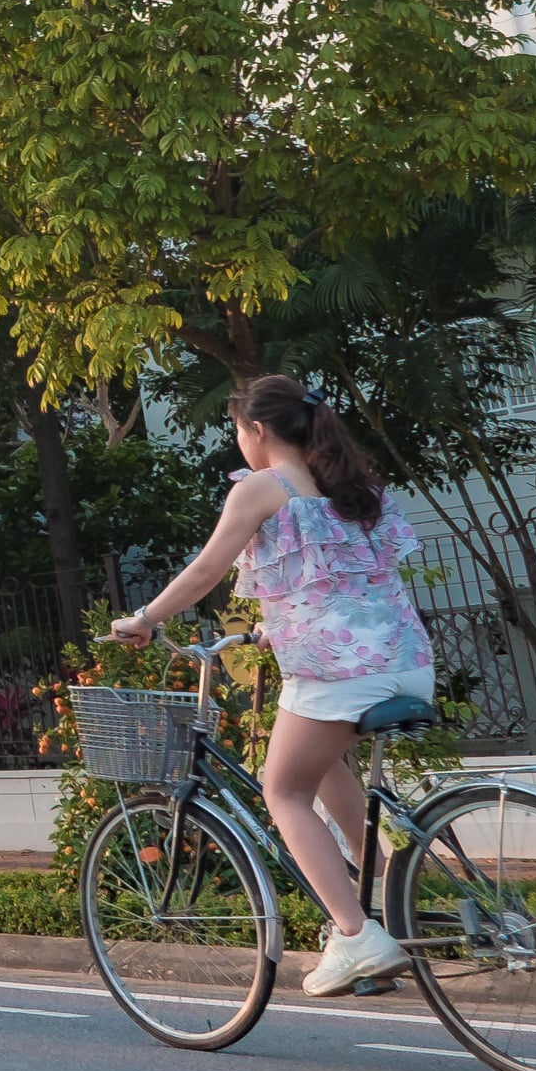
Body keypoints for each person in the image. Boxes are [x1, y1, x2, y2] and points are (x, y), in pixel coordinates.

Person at [111, 373, 432, 996]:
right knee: (326, 767)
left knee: (281, 788)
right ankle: (389, 896)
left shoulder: (264, 487)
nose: (239, 443)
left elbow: (207, 568)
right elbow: (341, 581)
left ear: (257, 430)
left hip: (337, 670)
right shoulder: (354, 487)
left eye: (238, 431)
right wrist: (269, 625)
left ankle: (356, 935)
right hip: (407, 659)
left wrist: (145, 619)